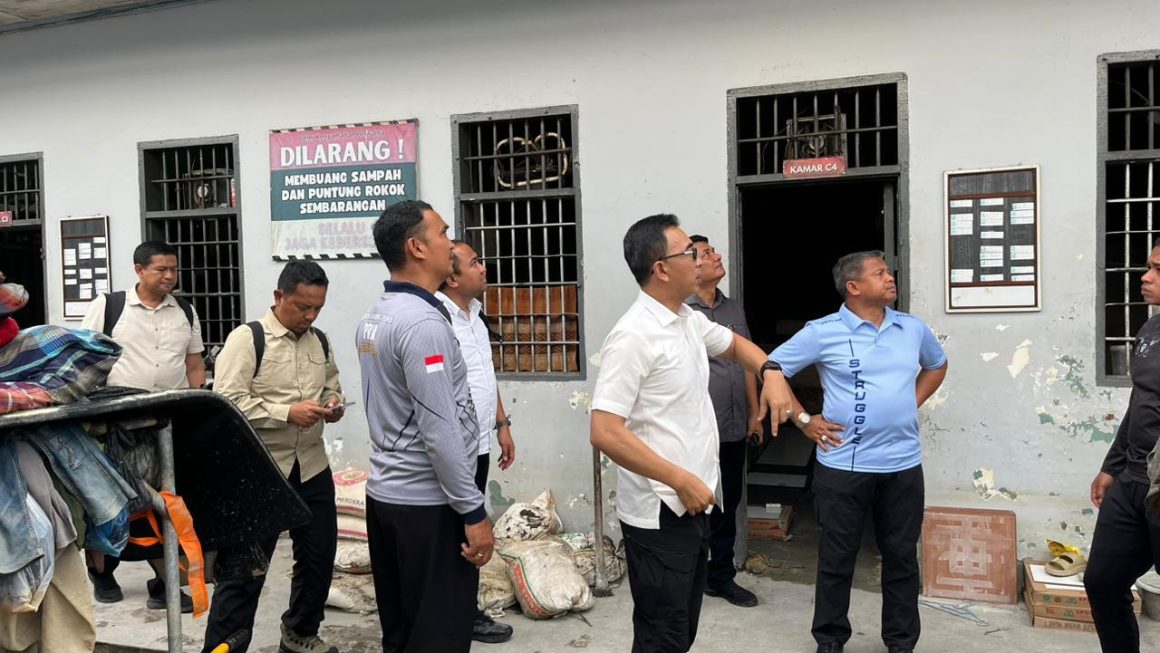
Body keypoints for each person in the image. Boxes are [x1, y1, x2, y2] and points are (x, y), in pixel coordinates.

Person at [589, 214, 793, 653]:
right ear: (662, 268)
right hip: (661, 509)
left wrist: (771, 370)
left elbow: (735, 345)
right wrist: (678, 479)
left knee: (681, 629)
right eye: (690, 253)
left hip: (694, 502)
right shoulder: (634, 335)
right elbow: (604, 431)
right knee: (662, 634)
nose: (699, 261)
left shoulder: (686, 319)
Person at [767, 251, 947, 653]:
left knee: (901, 558)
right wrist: (803, 420)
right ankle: (830, 639)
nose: (890, 277)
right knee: (837, 558)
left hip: (903, 465)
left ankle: (901, 642)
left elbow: (937, 365)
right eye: (879, 273)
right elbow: (771, 367)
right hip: (843, 466)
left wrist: (909, 402)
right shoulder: (822, 331)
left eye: (888, 271)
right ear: (853, 287)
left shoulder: (911, 328)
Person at [357, 200, 495, 653]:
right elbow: (439, 430)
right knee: (439, 636)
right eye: (443, 234)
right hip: (428, 506)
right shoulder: (422, 324)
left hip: (388, 498)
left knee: (402, 633)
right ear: (417, 247)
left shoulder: (378, 314)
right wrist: (472, 512)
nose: (451, 245)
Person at [205, 260, 344, 653]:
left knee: (318, 559)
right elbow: (228, 402)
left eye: (318, 308)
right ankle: (222, 648)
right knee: (244, 572)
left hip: (311, 465)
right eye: (303, 307)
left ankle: (299, 632)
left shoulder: (320, 340)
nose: (310, 316)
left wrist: (333, 402)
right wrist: (286, 413)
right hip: (259, 470)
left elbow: (331, 384)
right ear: (279, 297)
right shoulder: (247, 339)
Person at [79, 240, 205, 611]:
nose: (170, 276)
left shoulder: (184, 311)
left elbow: (194, 364)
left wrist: (198, 404)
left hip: (168, 424)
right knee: (114, 500)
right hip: (116, 425)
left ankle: (163, 582)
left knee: (168, 500)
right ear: (139, 269)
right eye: (161, 269)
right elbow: (86, 359)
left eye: (173, 269)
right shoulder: (109, 306)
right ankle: (102, 572)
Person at [435, 239, 516, 644]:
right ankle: (458, 614)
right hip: (454, 447)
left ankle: (464, 609)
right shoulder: (438, 320)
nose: (484, 268)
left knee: (469, 529)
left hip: (481, 441)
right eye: (475, 263)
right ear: (452, 278)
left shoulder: (475, 315)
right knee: (458, 531)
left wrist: (502, 424)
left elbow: (486, 375)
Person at [1085, 239, 1160, 653]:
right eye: (1148, 266)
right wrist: (1111, 466)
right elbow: (1139, 402)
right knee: (1102, 582)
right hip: (1132, 478)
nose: (1145, 278)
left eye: (1158, 270)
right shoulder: (1151, 329)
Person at [683, 234, 762, 608]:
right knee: (697, 503)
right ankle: (692, 574)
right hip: (698, 431)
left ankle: (721, 577)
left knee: (729, 503)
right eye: (706, 253)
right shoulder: (683, 313)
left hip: (732, 426)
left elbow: (746, 362)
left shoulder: (733, 310)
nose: (716, 256)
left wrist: (755, 412)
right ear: (691, 266)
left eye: (714, 250)